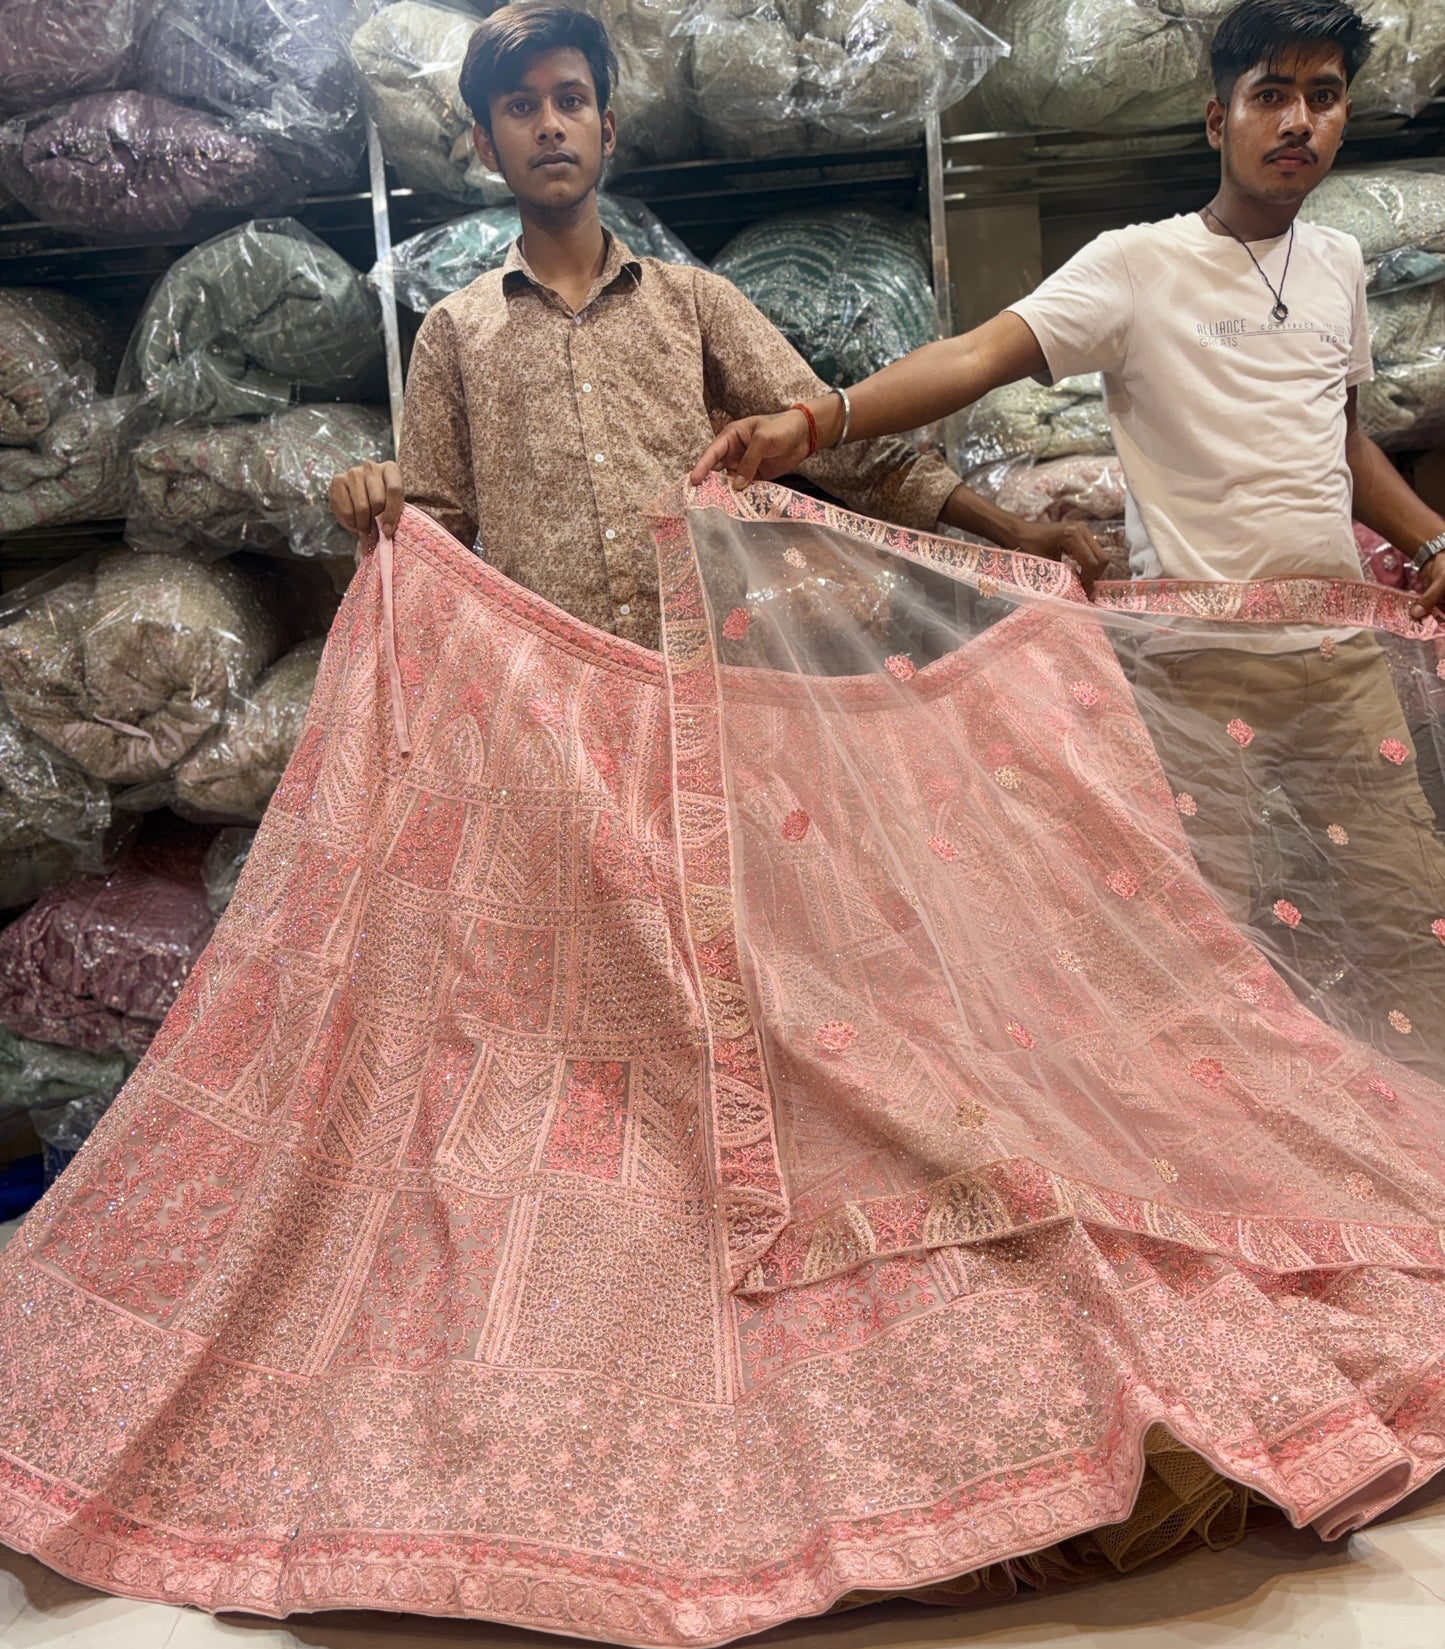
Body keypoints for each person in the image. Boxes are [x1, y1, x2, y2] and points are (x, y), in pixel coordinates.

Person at [694, 0, 1445, 1062]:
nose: (1297, 122)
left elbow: (1340, 439)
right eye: (1268, 95)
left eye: (1321, 98)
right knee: (1204, 945)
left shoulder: (1337, 265)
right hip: (1195, 674)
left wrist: (1427, 539)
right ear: (1213, 119)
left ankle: (1412, 1162)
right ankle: (1218, 1161)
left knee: (1406, 918)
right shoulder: (1135, 265)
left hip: (1337, 662)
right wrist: (817, 419)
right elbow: (972, 355)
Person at [328, 2, 1105, 651]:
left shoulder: (693, 303)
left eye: (569, 100)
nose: (550, 125)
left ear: (608, 127)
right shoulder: (454, 332)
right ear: (486, 144)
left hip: (711, 680)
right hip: (556, 705)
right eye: (521, 107)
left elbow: (839, 441)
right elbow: (433, 537)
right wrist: (373, 507)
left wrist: (1009, 529)